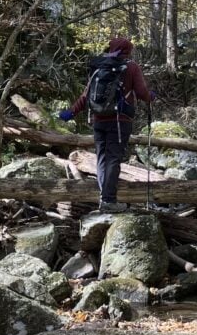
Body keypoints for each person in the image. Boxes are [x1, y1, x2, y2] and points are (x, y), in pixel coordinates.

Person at [58, 37, 155, 212]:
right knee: (113, 159)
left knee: (102, 158)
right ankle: (109, 201)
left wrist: (70, 113)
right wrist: (151, 97)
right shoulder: (131, 67)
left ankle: (105, 198)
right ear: (128, 50)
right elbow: (141, 93)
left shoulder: (99, 67)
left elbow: (85, 96)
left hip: (98, 121)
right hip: (119, 121)